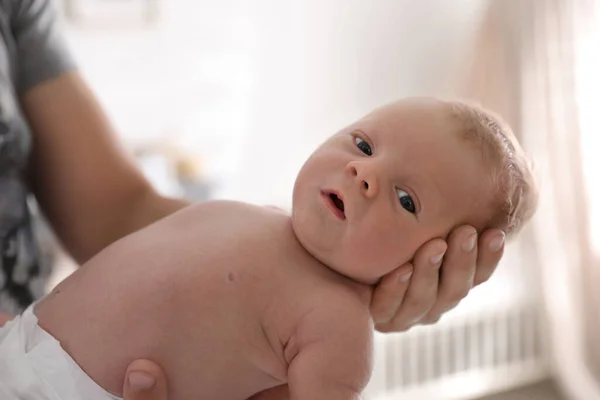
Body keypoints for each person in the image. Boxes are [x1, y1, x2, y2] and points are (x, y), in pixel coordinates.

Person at [0, 0, 507, 398]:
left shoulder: (336, 322)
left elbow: (119, 215)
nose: (364, 173)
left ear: (428, 261)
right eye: (364, 144)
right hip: (20, 344)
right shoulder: (267, 226)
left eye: (406, 198)